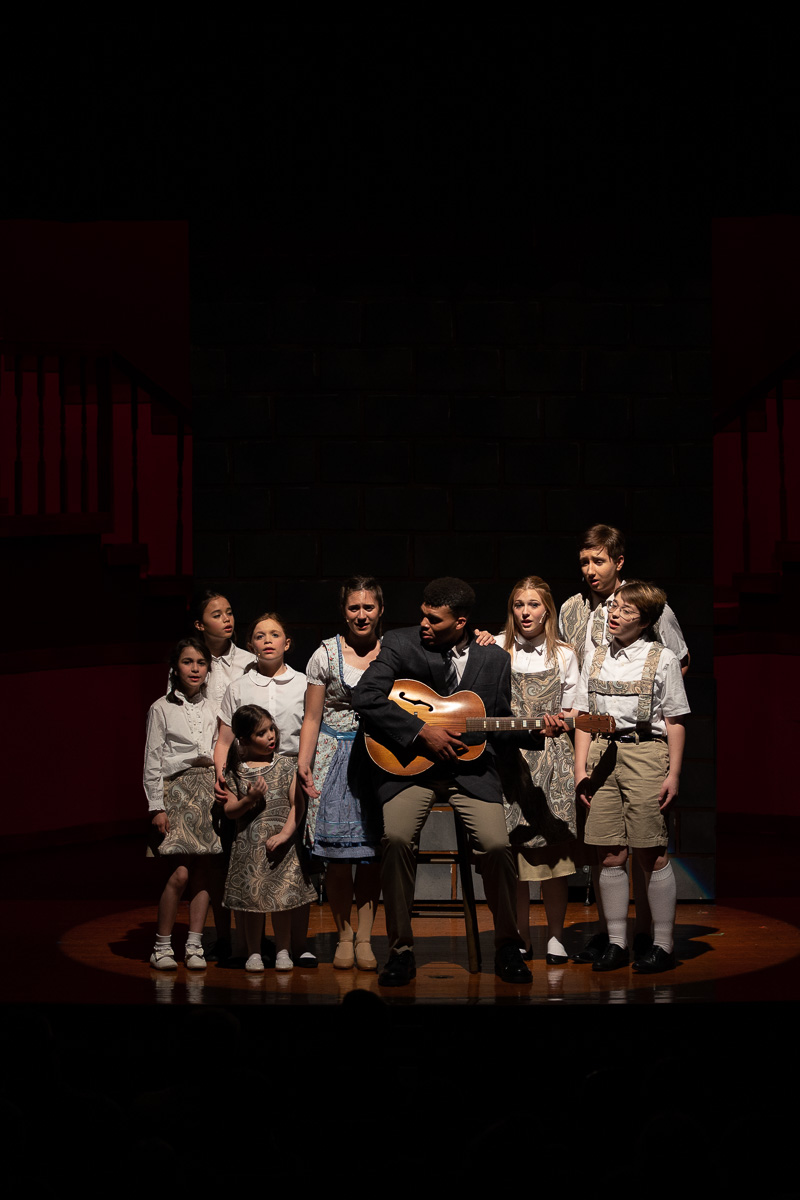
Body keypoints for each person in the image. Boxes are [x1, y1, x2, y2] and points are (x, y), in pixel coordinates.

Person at [351, 577, 534, 986]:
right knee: (396, 838)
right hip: (408, 768)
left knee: (497, 845)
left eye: (435, 619)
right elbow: (366, 697)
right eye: (423, 614)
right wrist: (421, 731)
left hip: (471, 772)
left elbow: (500, 724)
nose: (424, 624)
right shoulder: (401, 643)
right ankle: (400, 951)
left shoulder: (494, 659)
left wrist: (538, 731)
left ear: (461, 622)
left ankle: (508, 945)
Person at [558, 524, 689, 963]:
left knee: (649, 847)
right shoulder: (575, 609)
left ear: (617, 562)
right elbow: (574, 683)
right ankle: (612, 937)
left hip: (644, 737)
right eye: (584, 561)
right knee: (607, 848)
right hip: (599, 743)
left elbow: (676, 679)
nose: (589, 569)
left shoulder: (651, 610)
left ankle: (654, 937)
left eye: (598, 560)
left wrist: (645, 702)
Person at [214, 612, 314, 965]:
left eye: (274, 634)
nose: (267, 640)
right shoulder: (239, 687)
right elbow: (224, 738)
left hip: (293, 775)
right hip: (250, 775)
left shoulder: (304, 683)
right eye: (259, 635)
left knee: (294, 865)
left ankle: (296, 945)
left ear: (287, 642)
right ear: (250, 644)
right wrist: (221, 775)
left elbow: (312, 727)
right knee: (252, 865)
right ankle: (251, 948)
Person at [297, 576, 384, 970]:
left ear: (380, 610)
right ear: (344, 611)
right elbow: (312, 717)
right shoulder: (325, 655)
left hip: (378, 758)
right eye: (354, 607)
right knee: (337, 856)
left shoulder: (391, 651)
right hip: (334, 757)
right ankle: (343, 935)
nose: (361, 615)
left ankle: (365, 937)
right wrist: (304, 762)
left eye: (368, 607)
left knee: (371, 854)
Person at [495, 576, 579, 964]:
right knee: (514, 854)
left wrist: (562, 722)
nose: (525, 612)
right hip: (509, 759)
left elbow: (573, 708)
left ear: (547, 610)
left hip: (551, 758)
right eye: (519, 605)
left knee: (553, 855)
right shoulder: (498, 648)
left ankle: (556, 935)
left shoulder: (564, 654)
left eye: (533, 605)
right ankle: (521, 935)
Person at [143, 638, 220, 970]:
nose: (195, 669)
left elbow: (219, 749)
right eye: (188, 662)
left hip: (207, 792)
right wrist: (156, 806)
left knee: (202, 873)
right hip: (176, 792)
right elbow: (153, 760)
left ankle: (194, 944)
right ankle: (161, 946)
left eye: (201, 663)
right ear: (176, 667)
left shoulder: (214, 708)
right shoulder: (161, 708)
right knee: (180, 873)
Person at [221, 705, 317, 972]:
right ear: (244, 740)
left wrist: (285, 834)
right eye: (261, 733)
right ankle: (253, 952)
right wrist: (250, 799)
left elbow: (298, 805)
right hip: (250, 849)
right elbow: (230, 811)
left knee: (281, 901)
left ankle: (283, 950)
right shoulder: (236, 771)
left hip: (281, 849)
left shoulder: (286, 766)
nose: (270, 736)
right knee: (253, 903)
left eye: (271, 729)